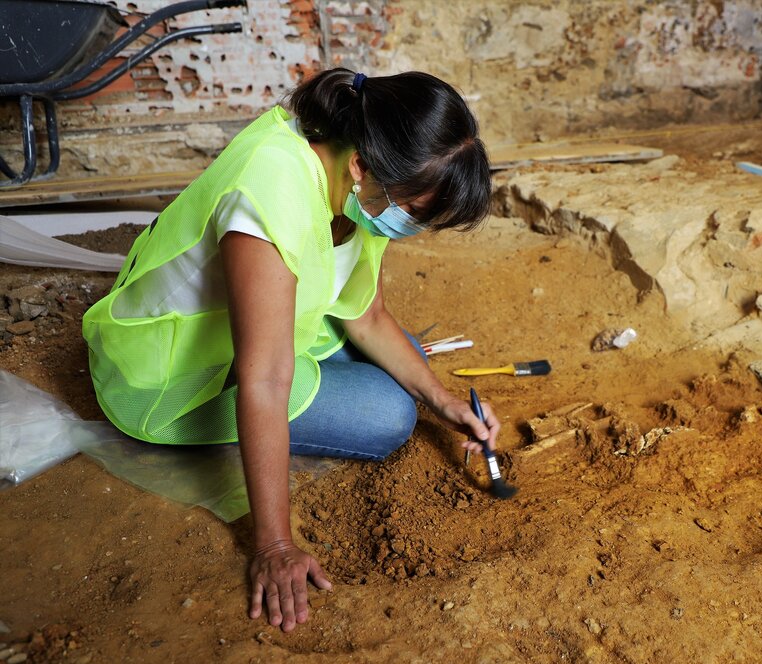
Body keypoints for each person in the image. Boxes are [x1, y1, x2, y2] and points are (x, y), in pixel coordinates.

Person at [82, 68, 501, 632]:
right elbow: (265, 379)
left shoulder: (358, 181)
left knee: (413, 371)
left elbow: (368, 315)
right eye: (414, 213)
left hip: (259, 335)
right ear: (362, 167)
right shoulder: (273, 190)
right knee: (390, 414)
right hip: (166, 374)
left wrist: (445, 401)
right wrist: (275, 544)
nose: (409, 228)